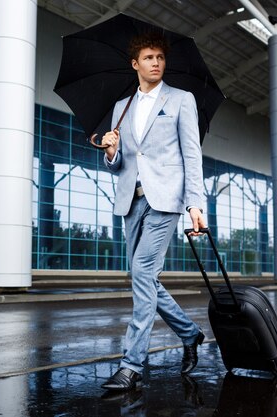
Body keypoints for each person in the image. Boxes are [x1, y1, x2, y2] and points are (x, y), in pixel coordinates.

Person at [100, 32, 207, 391]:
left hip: (166, 200)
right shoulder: (121, 107)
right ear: (135, 64)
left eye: (160, 57)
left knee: (143, 271)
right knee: (144, 278)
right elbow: (120, 165)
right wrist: (111, 150)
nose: (156, 63)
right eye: (148, 57)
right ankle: (190, 334)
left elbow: (192, 155)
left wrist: (195, 204)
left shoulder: (181, 100)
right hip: (132, 200)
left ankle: (131, 365)